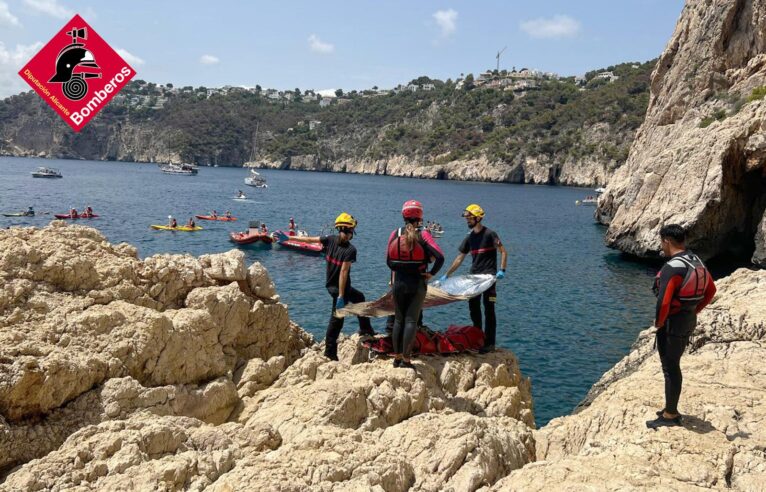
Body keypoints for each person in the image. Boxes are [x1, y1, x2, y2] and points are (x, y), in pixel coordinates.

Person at [274, 213, 375, 360]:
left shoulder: (330, 240)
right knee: (336, 322)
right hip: (341, 289)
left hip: (331, 286)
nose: (350, 234)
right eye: (349, 231)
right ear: (345, 230)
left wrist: (289, 237)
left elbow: (310, 239)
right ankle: (330, 353)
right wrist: (341, 296)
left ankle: (365, 328)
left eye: (351, 232)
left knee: (359, 297)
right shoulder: (350, 250)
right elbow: (343, 273)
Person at [646, 224, 716, 429]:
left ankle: (670, 415)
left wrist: (659, 322)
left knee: (670, 368)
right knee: (673, 364)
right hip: (687, 320)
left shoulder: (672, 267)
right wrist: (694, 311)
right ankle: (670, 406)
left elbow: (664, 301)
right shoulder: (696, 261)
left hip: (672, 324)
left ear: (667, 240)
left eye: (661, 242)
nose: (661, 246)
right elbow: (711, 290)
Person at [439, 204, 507, 353]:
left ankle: (490, 343)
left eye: (470, 218)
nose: (467, 220)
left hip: (489, 278)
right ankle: (478, 339)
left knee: (489, 310)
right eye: (467, 218)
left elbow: (503, 251)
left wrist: (502, 270)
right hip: (473, 279)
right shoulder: (469, 237)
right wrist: (447, 275)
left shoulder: (490, 234)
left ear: (478, 218)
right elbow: (459, 258)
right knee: (474, 309)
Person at [387, 200, 444, 369]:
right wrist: (431, 273)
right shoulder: (423, 234)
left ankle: (396, 358)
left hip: (399, 282)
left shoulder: (395, 233)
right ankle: (406, 360)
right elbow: (440, 257)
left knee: (398, 320)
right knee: (411, 320)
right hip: (417, 282)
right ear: (419, 216)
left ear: (404, 215)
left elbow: (389, 261)